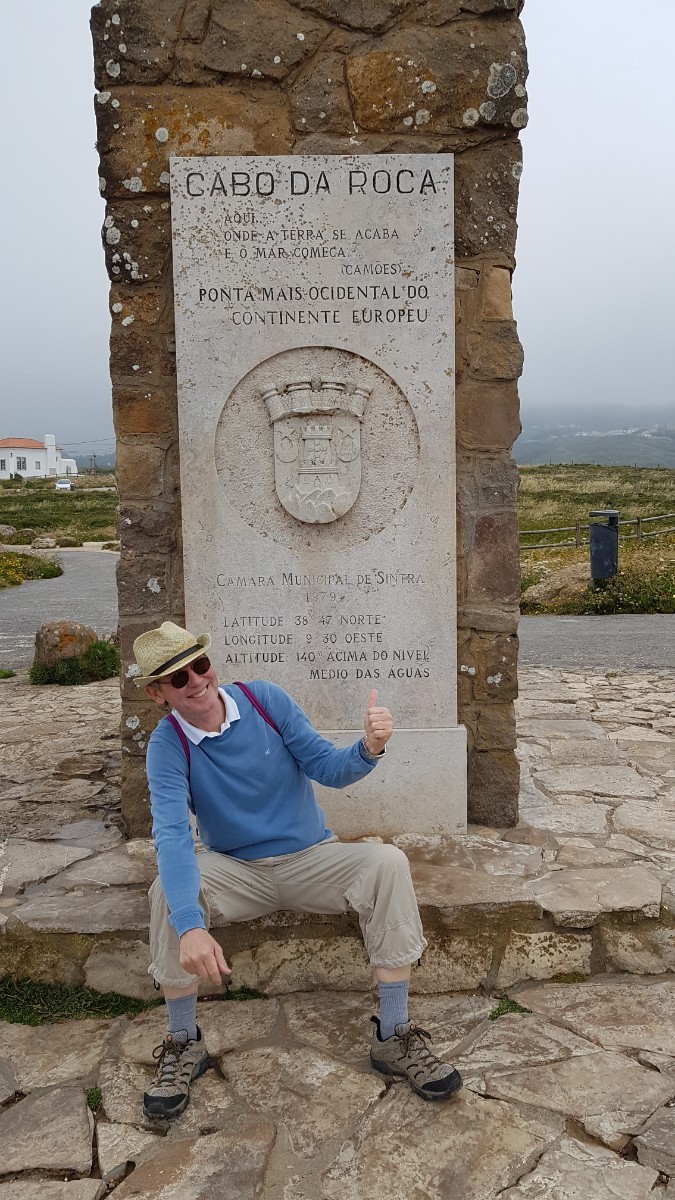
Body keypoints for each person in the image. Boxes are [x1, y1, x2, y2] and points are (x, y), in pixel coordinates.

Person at [133, 620, 462, 1118]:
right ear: (158, 694)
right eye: (179, 678)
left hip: (310, 858)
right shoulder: (167, 744)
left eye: (200, 665)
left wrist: (369, 748)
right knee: (167, 892)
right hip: (235, 868)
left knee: (387, 863)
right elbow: (173, 834)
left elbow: (325, 766)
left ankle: (394, 1035)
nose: (197, 681)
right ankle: (182, 1041)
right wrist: (189, 925)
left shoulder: (264, 700)